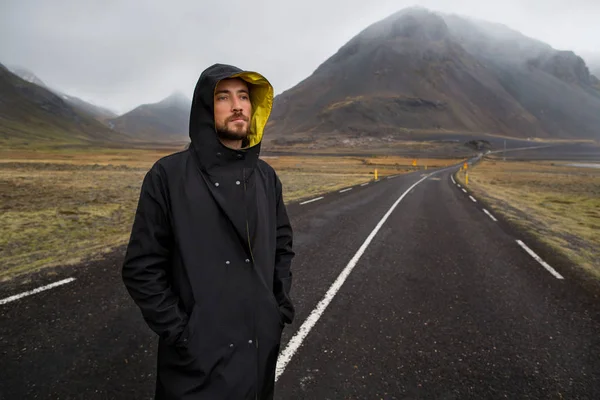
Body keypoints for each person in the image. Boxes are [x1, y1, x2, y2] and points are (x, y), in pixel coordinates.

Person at [121, 63, 295, 400]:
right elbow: (141, 268)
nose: (237, 106)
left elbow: (282, 247)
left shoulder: (265, 178)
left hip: (258, 354)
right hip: (195, 365)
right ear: (204, 107)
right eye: (224, 97)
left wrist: (278, 308)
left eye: (244, 96)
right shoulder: (168, 177)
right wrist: (183, 333)